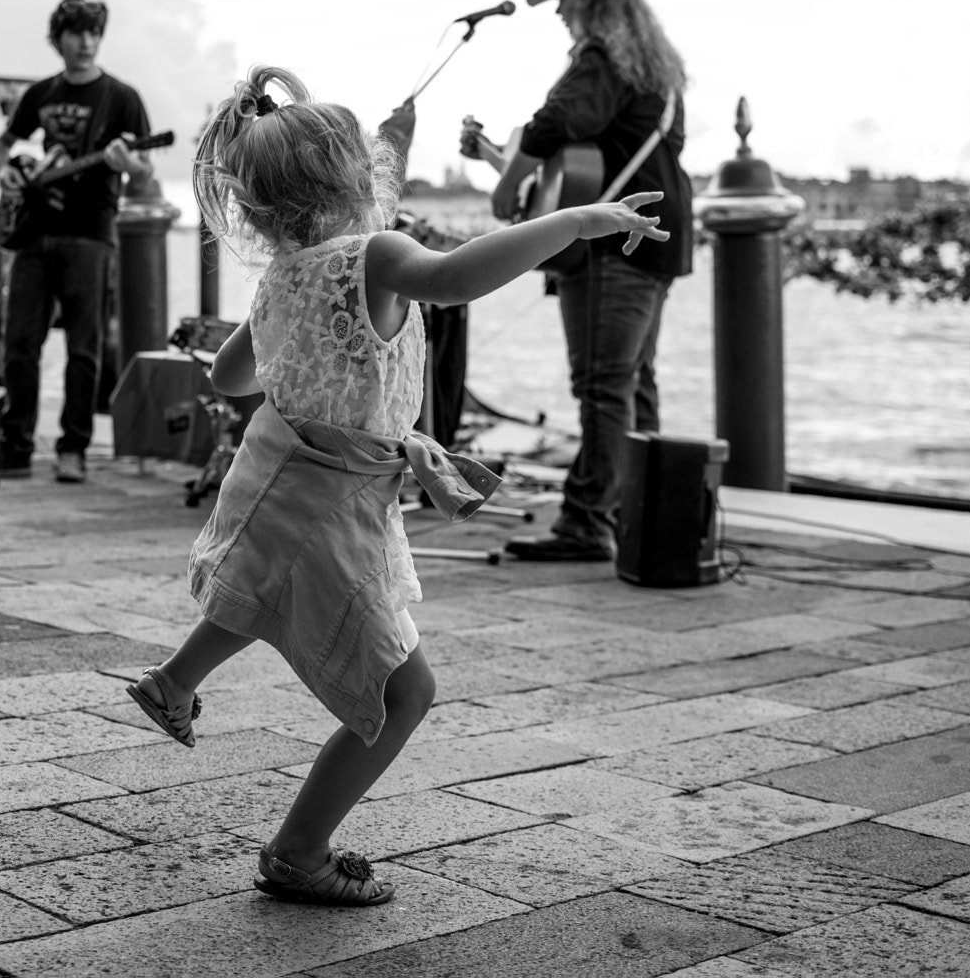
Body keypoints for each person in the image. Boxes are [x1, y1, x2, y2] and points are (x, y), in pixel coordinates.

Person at [123, 66, 664, 906]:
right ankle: (299, 850)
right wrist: (577, 219)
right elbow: (456, 276)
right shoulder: (374, 254)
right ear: (357, 181)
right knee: (407, 692)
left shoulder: (281, 278)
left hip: (278, 482)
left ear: (262, 207)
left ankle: (174, 681)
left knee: (258, 592)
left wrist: (297, 345)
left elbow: (234, 377)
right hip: (332, 504)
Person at [484, 0, 695, 561]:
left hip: (614, 243)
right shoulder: (655, 69)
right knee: (633, 381)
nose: (557, 11)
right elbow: (582, 159)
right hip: (654, 237)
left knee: (603, 384)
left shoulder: (602, 60)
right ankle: (640, 510)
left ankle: (586, 523)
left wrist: (504, 181)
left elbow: (555, 126)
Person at [0, 0, 153, 482]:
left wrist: (127, 162)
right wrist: (7, 173)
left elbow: (143, 173)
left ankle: (72, 448)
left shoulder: (122, 99)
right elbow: (2, 147)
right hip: (33, 234)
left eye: (94, 33)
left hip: (90, 235)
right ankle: (13, 446)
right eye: (77, 33)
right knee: (18, 345)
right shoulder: (40, 95)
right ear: (58, 39)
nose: (87, 42)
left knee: (83, 348)